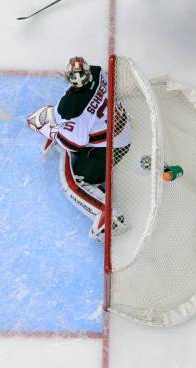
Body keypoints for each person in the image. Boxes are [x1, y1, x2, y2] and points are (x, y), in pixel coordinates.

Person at [27, 57, 131, 241]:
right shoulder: (98, 73)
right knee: (72, 128)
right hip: (122, 125)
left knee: (75, 180)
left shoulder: (75, 111)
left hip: (115, 146)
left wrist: (51, 133)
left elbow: (73, 144)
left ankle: (109, 217)